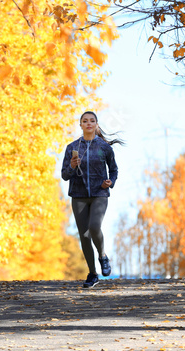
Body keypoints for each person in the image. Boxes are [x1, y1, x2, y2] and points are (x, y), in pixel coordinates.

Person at [61, 111, 124, 288]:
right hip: (78, 195)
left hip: (99, 194)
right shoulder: (71, 147)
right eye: (85, 121)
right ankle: (92, 273)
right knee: (84, 235)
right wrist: (72, 166)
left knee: (94, 226)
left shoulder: (104, 148)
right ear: (80, 125)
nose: (89, 123)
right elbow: (65, 175)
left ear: (96, 124)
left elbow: (114, 170)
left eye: (92, 121)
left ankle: (103, 256)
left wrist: (110, 182)